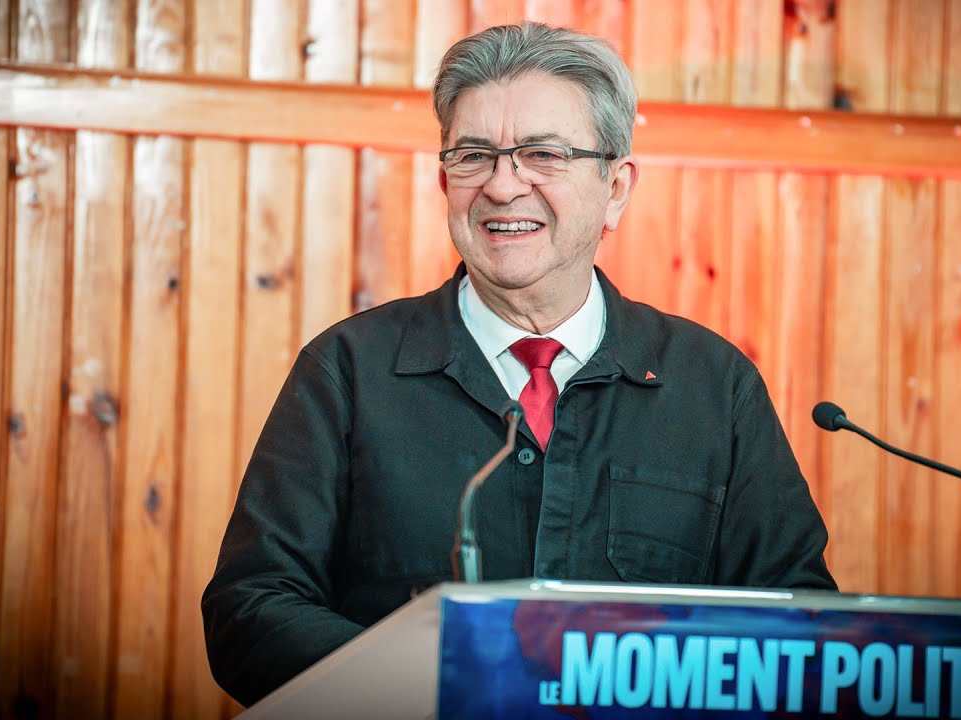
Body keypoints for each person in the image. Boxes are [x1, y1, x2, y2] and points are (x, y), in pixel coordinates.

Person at [201, 21, 836, 707]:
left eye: (543, 154)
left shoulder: (716, 387)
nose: (503, 187)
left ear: (616, 188)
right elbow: (250, 612)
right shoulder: (347, 371)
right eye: (474, 155)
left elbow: (803, 634)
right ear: (444, 180)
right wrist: (443, 685)